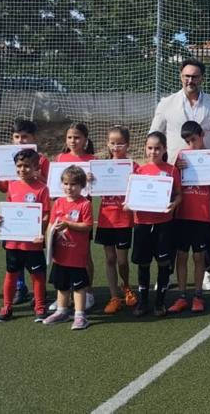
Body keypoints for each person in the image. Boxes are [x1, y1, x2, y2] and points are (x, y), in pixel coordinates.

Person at [0, 118, 48, 306]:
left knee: (35, 261)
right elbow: (7, 189)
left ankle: (39, 297)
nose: (20, 140)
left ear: (33, 137)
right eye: (16, 136)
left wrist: (41, 176)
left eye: (25, 136)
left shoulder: (42, 160)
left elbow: (50, 185)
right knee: (16, 257)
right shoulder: (9, 158)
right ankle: (20, 287)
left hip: (35, 220)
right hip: (16, 223)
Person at [130, 131, 182, 317]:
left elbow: (178, 195)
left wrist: (173, 204)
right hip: (142, 223)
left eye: (157, 148)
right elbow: (132, 194)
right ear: (145, 148)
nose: (153, 152)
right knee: (143, 264)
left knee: (163, 263)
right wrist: (129, 204)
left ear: (164, 149)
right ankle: (143, 302)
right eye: (150, 148)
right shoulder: (139, 171)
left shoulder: (171, 170)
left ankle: (160, 302)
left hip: (163, 224)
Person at [169, 121, 210, 315]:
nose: (191, 145)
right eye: (187, 141)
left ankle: (197, 296)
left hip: (202, 216)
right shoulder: (182, 156)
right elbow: (173, 182)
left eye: (194, 140)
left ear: (202, 135)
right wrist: (176, 167)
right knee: (181, 256)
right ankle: (181, 296)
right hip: (182, 215)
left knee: (199, 257)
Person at [42, 165, 94, 330]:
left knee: (78, 286)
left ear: (81, 186)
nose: (69, 188)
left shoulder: (84, 204)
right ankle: (62, 311)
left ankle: (80, 315)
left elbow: (87, 226)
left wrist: (68, 224)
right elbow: (51, 224)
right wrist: (47, 237)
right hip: (60, 254)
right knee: (61, 284)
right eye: (65, 184)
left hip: (76, 255)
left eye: (73, 184)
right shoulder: (58, 202)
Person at [95, 126, 139, 315]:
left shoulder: (133, 166)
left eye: (120, 143)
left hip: (123, 219)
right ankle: (114, 296)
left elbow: (140, 187)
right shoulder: (100, 166)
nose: (115, 146)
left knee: (122, 260)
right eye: (112, 143)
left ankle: (126, 286)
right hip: (106, 219)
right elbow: (89, 188)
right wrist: (90, 179)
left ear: (127, 145)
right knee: (110, 258)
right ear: (107, 143)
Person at [54, 123, 96, 311]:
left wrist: (94, 180)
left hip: (81, 214)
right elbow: (55, 188)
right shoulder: (60, 158)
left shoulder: (92, 160)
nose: (73, 141)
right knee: (61, 254)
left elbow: (97, 190)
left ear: (85, 140)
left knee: (84, 255)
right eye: (70, 137)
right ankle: (64, 295)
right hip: (62, 212)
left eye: (77, 137)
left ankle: (87, 292)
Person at [150, 58, 210, 157]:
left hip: (205, 168)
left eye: (195, 77)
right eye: (187, 76)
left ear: (202, 78)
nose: (190, 80)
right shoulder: (166, 104)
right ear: (181, 77)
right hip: (174, 167)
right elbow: (154, 135)